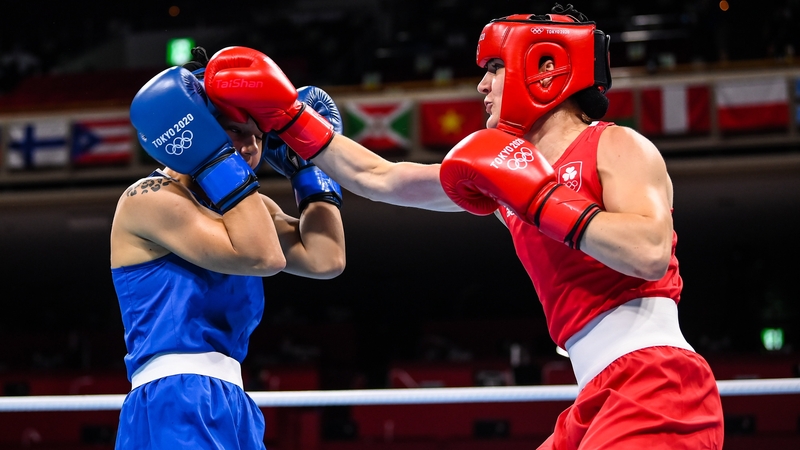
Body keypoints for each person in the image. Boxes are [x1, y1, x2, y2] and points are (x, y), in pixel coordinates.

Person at [202, 3, 724, 448]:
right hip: (595, 392)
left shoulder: (616, 145)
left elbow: (649, 250)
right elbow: (380, 176)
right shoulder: (503, 179)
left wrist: (541, 199)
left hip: (655, 382)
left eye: (494, 67)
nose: (481, 84)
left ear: (543, 67)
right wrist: (290, 116)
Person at [110, 48, 346, 449]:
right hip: (174, 398)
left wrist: (309, 171)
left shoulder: (249, 210)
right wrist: (216, 158)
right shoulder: (148, 199)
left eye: (259, 136)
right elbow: (264, 257)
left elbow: (326, 259)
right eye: (236, 130)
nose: (252, 146)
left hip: (233, 400)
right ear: (196, 125)